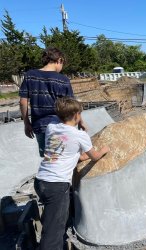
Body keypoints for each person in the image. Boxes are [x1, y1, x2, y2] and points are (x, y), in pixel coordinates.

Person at [34, 97, 109, 250]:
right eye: (80, 113)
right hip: (57, 185)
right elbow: (94, 156)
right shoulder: (80, 136)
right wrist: (103, 150)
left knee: (52, 219)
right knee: (53, 233)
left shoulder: (51, 128)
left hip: (41, 181)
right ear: (76, 115)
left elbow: (74, 155)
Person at [19, 47, 86, 157]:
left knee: (49, 159)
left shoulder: (29, 76)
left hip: (39, 126)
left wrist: (26, 123)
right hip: (60, 126)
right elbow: (72, 106)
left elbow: (23, 102)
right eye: (62, 63)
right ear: (59, 60)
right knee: (63, 157)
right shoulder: (63, 80)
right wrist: (80, 122)